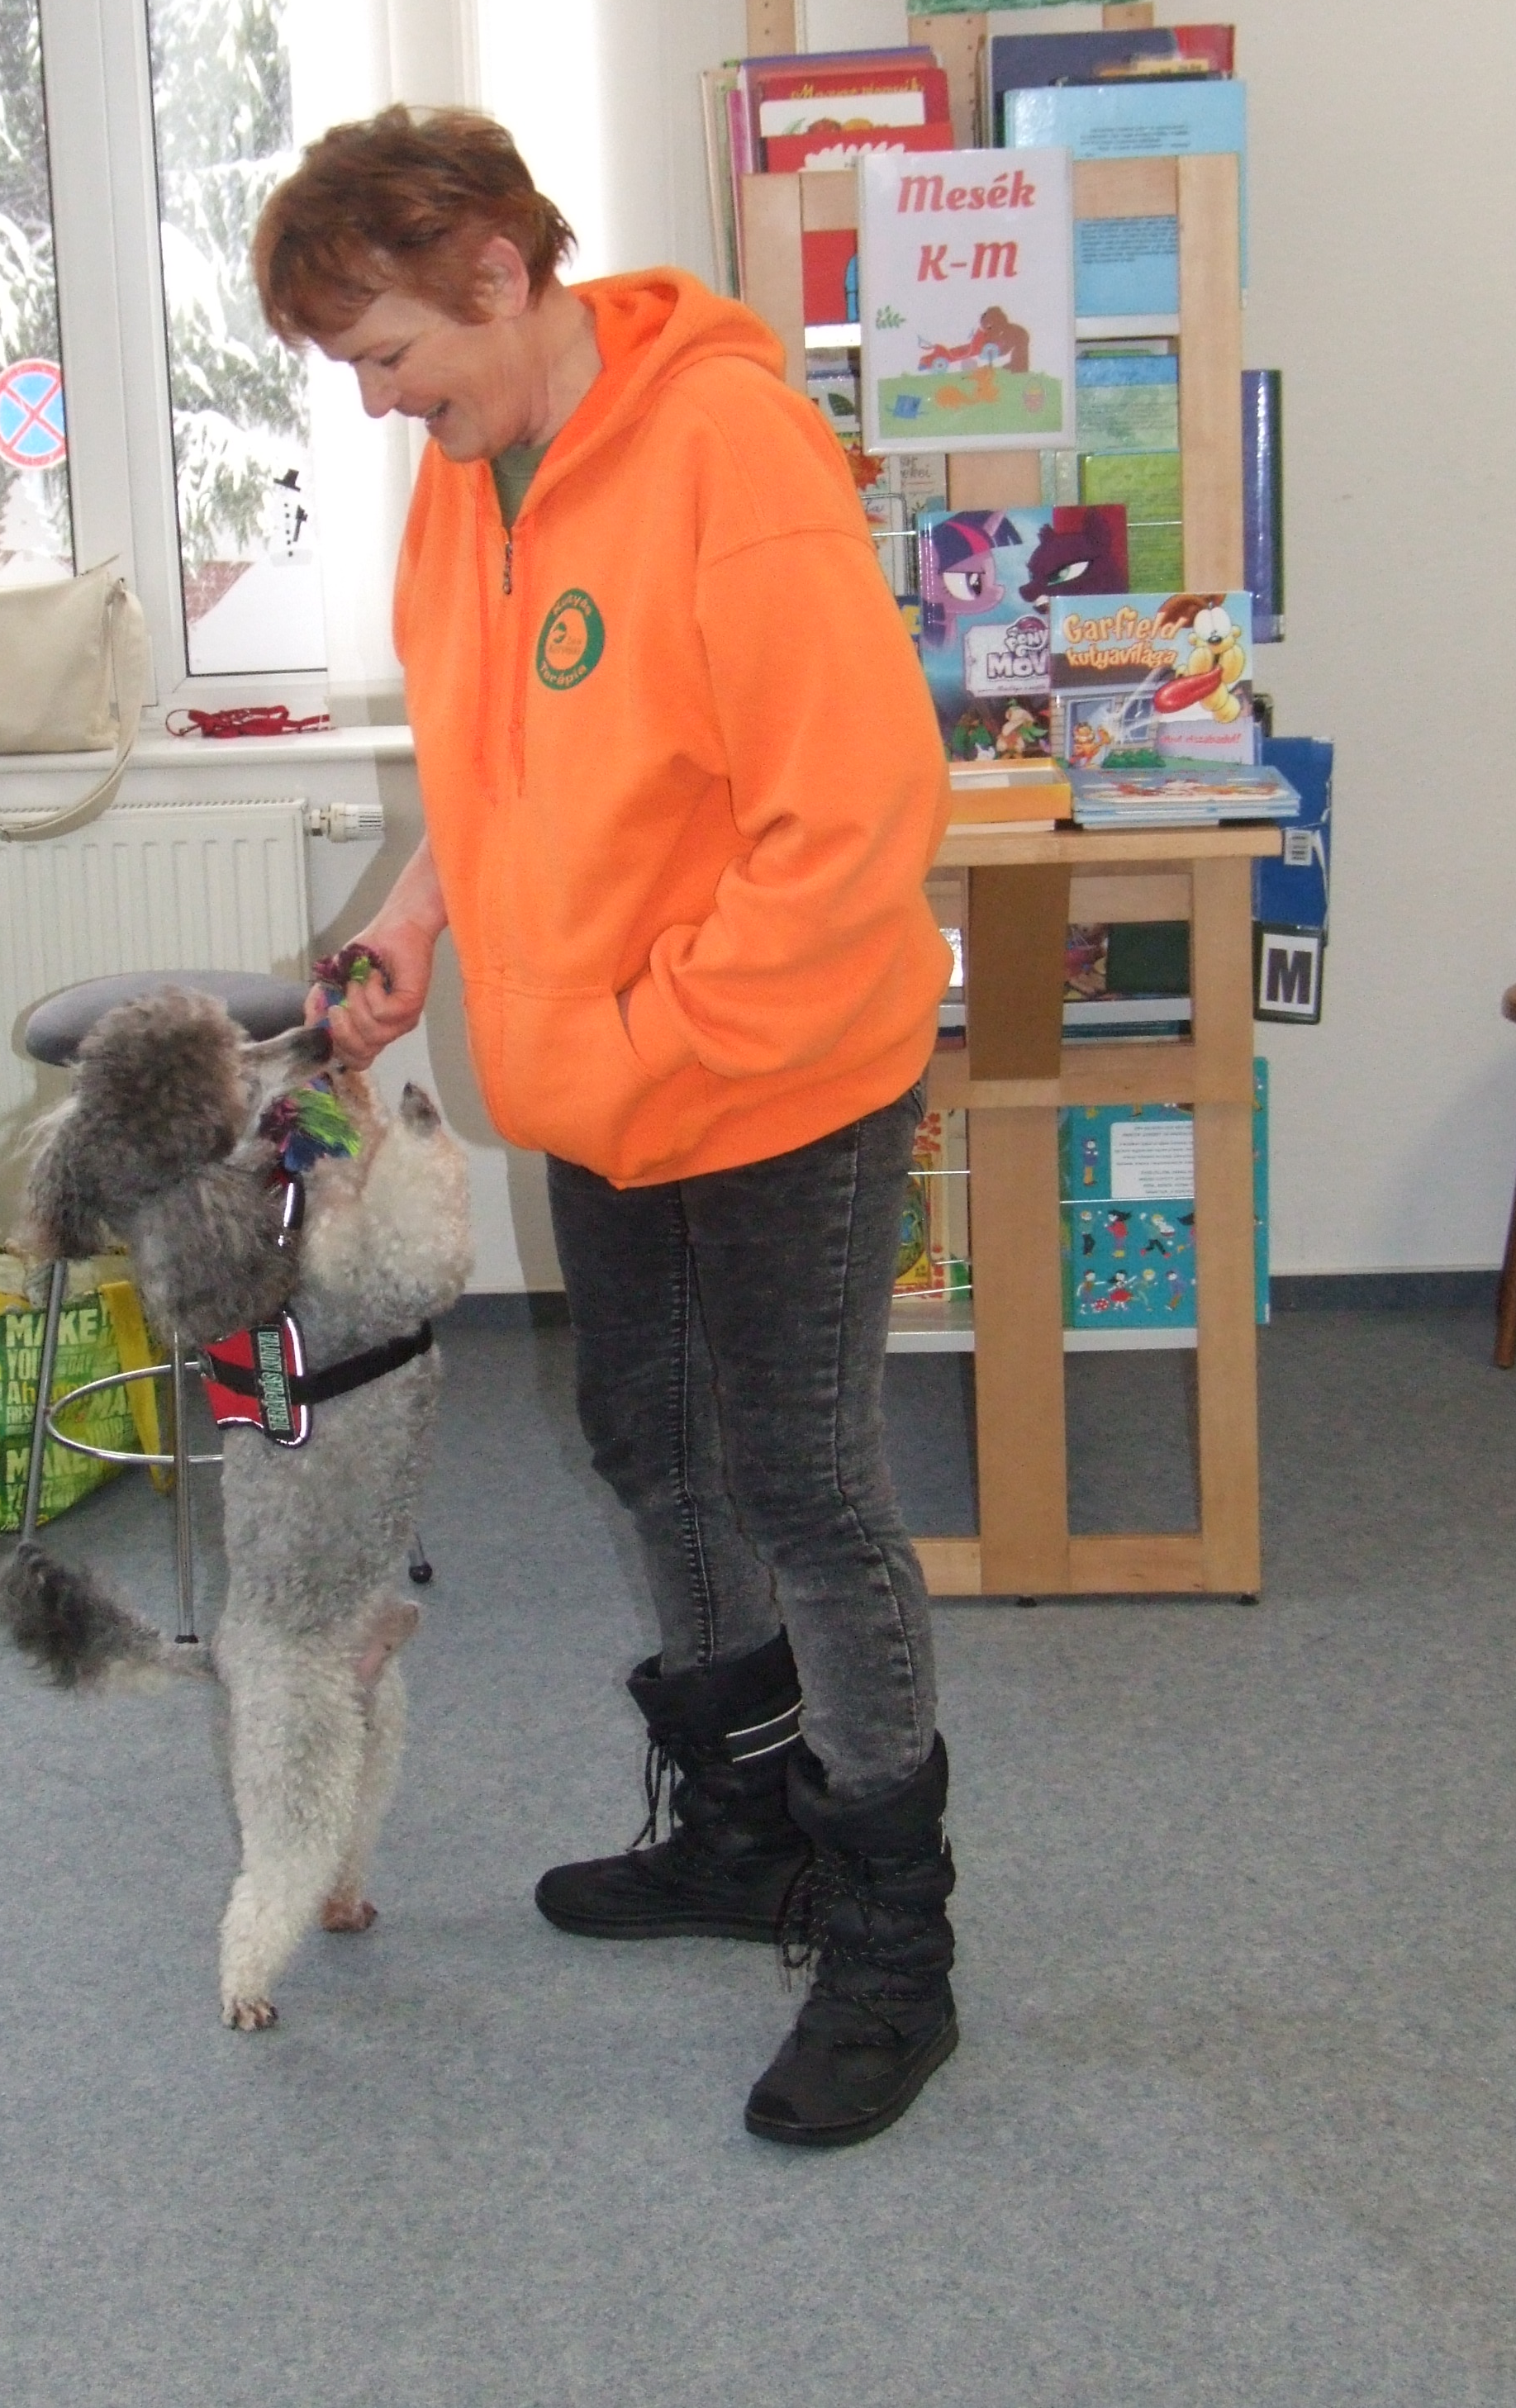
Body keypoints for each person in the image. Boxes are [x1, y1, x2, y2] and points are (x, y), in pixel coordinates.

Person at [252, 107, 957, 2149]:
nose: (378, 403)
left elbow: (858, 816)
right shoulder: (469, 472)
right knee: (648, 1438)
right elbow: (505, 770)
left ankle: (895, 1944)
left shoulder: (729, 450)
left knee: (806, 1484)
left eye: (388, 352)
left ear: (495, 271)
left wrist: (659, 1033)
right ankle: (742, 1827)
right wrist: (415, 919)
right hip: (618, 1077)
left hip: (781, 1070)